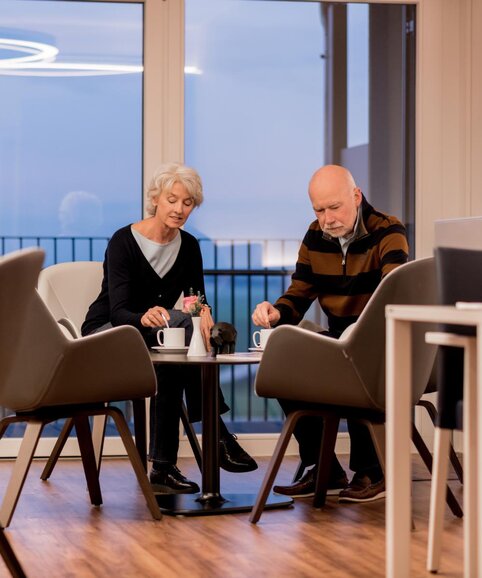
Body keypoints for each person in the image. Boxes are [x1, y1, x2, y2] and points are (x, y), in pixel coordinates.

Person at [82, 162, 257, 494]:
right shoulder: (123, 241)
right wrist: (145, 316)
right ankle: (216, 437)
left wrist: (203, 311)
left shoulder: (189, 245)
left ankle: (164, 468)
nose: (179, 209)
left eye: (187, 202)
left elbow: (193, 297)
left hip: (154, 333)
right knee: (177, 331)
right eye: (172, 199)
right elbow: (119, 311)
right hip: (107, 332)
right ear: (155, 199)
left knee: (178, 352)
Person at [252, 164, 408, 503]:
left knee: (357, 357)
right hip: (338, 338)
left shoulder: (388, 230)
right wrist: (277, 312)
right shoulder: (314, 236)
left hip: (379, 335)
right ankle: (322, 467)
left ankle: (372, 470)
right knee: (285, 361)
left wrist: (358, 334)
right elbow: (299, 293)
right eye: (319, 210)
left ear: (356, 196)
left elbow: (393, 293)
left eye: (334, 207)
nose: (326, 219)